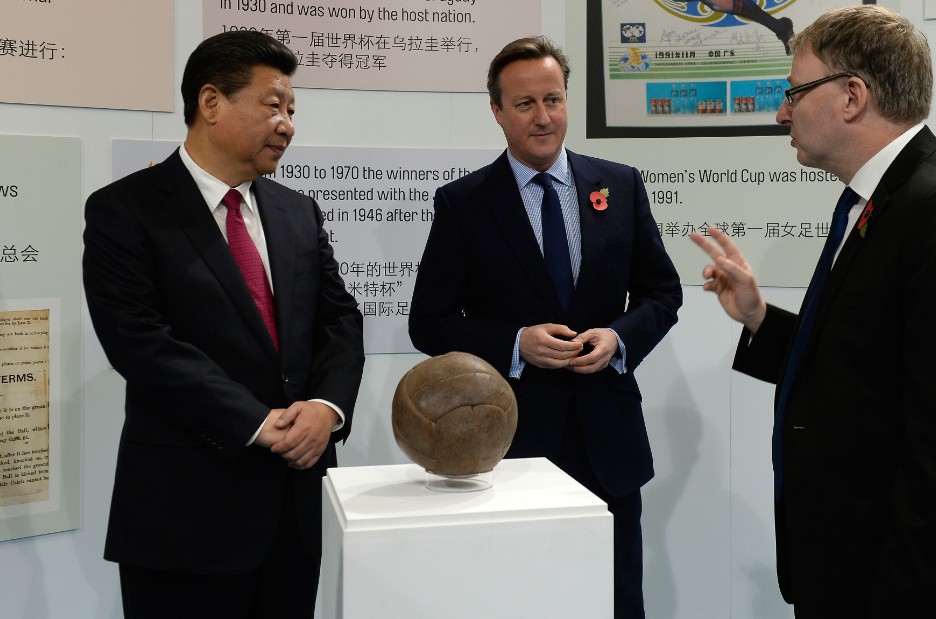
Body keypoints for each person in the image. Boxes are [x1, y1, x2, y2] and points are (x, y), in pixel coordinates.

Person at [690, 6, 936, 618]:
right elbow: (863, 375)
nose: (782, 112)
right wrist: (761, 319)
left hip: (914, 588)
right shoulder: (875, 201)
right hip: (858, 571)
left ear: (852, 96)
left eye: (794, 92)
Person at [83, 31, 365, 618]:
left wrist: (325, 409)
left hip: (293, 510)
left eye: (292, 110)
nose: (287, 123)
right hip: (184, 517)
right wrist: (257, 423)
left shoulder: (296, 210)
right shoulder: (126, 210)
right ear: (211, 103)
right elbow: (138, 341)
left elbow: (338, 320)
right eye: (273, 105)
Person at [408, 36, 682, 619]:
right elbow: (429, 323)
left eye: (553, 100)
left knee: (615, 599)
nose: (543, 116)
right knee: (520, 598)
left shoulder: (621, 185)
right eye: (525, 104)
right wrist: (514, 343)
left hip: (608, 442)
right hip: (508, 443)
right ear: (498, 111)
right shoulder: (464, 203)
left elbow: (663, 293)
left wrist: (619, 338)